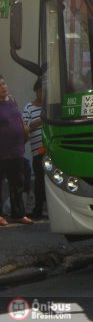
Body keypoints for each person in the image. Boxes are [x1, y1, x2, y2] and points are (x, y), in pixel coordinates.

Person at [0, 75, 33, 225]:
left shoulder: (11, 100)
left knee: (17, 183)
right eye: (0, 86)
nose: (3, 87)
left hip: (16, 150)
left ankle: (18, 214)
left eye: (4, 84)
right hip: (1, 151)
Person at [23, 78, 45, 219]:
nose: (42, 94)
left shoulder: (52, 106)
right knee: (39, 181)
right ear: (36, 91)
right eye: (40, 91)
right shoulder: (29, 108)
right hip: (38, 151)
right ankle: (38, 209)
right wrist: (42, 120)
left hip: (53, 150)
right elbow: (25, 129)